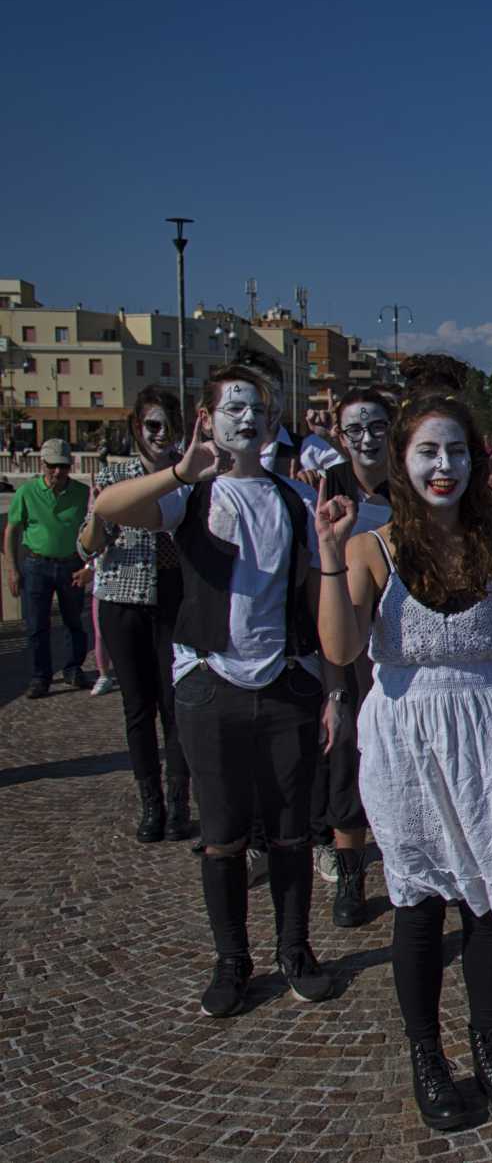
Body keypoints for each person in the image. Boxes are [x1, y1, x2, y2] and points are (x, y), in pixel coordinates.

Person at [314, 391, 492, 1131]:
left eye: (457, 451)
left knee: (491, 901)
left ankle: (489, 1044)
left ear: (476, 459)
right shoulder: (372, 547)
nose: (444, 466)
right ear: (403, 460)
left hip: (490, 740)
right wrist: (331, 559)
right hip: (405, 746)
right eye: (428, 451)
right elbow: (339, 651)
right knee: (421, 905)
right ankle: (427, 1053)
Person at [92, 354, 344, 1017]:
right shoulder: (188, 495)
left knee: (291, 830)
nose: (248, 419)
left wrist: (335, 689)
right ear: (206, 418)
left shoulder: (295, 500)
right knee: (224, 834)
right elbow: (109, 508)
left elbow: (323, 598)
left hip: (287, 682)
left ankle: (295, 949)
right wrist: (178, 469)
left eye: (259, 410)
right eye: (233, 408)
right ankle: (232, 959)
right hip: (209, 682)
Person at [76, 391, 190, 841]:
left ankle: (180, 801)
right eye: (152, 426)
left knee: (175, 704)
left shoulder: (189, 473)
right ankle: (151, 804)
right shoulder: (114, 476)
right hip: (124, 600)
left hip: (176, 599)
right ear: (136, 428)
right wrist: (102, 513)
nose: (160, 436)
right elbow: (87, 547)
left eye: (167, 426)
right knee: (137, 706)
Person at [305, 387, 396, 929]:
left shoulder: (408, 485)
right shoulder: (325, 491)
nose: (367, 439)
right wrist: (335, 687)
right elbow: (318, 586)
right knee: (345, 758)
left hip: (401, 638)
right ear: (339, 437)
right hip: (345, 643)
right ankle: (351, 877)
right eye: (355, 430)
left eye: (377, 427)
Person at [6, 439, 92, 698]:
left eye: (63, 466)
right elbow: (11, 530)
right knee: (36, 625)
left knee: (74, 621)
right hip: (36, 565)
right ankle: (40, 676)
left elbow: (96, 529)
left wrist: (89, 565)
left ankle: (73, 668)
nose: (58, 472)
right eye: (53, 466)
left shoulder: (82, 493)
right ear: (42, 464)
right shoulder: (27, 492)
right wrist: (13, 569)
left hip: (71, 565)